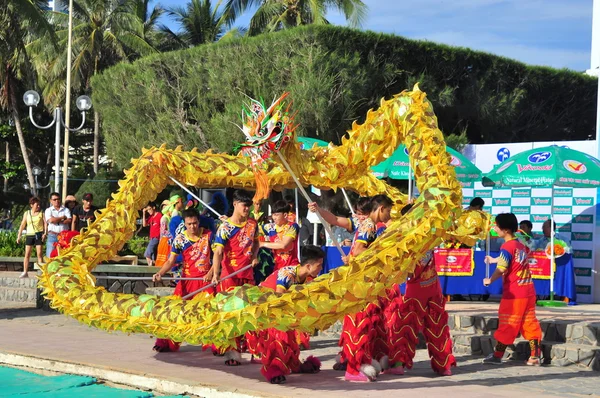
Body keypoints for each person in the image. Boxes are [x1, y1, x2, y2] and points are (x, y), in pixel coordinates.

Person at [394, 204, 455, 376]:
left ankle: (398, 364)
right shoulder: (430, 234)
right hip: (433, 286)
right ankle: (444, 366)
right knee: (437, 327)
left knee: (405, 327)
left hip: (414, 290)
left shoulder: (405, 239)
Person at [250, 245, 325, 384]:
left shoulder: (307, 278)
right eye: (319, 265)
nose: (321, 268)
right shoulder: (288, 274)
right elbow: (278, 297)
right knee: (279, 337)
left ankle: (291, 364)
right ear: (308, 266)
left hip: (283, 310)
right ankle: (273, 369)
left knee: (290, 336)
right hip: (265, 307)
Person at [152, 208, 216, 352]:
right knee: (175, 311)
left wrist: (212, 273)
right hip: (187, 280)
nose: (192, 227)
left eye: (194, 223)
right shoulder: (180, 239)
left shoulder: (209, 236)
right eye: (189, 224)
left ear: (199, 222)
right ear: (184, 224)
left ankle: (216, 344)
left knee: (210, 313)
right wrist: (160, 273)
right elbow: (171, 260)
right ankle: (165, 342)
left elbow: (218, 257)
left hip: (205, 281)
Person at [207, 189, 259, 366]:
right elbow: (218, 251)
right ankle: (232, 352)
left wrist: (255, 256)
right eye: (245, 206)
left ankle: (254, 350)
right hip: (230, 277)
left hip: (247, 276)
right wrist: (216, 273)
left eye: (249, 206)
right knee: (230, 315)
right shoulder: (225, 227)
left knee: (251, 313)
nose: (247, 209)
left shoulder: (253, 224)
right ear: (235, 204)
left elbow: (257, 241)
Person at [483, 213, 542, 366]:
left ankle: (497, 355)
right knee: (530, 322)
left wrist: (490, 279)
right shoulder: (520, 244)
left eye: (497, 226)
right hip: (528, 290)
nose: (495, 228)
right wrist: (494, 259)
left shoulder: (506, 246)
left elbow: (502, 268)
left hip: (514, 293)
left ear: (506, 230)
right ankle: (535, 356)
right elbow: (514, 260)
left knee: (508, 323)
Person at [259, 200, 300, 272]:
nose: (274, 217)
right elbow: (253, 230)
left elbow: (283, 245)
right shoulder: (269, 227)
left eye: (276, 215)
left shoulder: (293, 226)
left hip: (291, 268)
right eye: (273, 214)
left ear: (285, 215)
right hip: (277, 268)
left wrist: (262, 244)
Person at [16, 197, 45, 278]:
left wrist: (44, 233)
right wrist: (19, 236)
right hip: (29, 234)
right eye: (37, 205)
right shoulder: (27, 213)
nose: (38, 206)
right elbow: (22, 225)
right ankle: (25, 271)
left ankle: (41, 273)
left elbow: (45, 224)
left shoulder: (41, 213)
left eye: (39, 205)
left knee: (39, 254)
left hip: (38, 234)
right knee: (27, 254)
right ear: (31, 205)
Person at [44, 192, 72, 258]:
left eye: (58, 199)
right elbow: (51, 220)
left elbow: (69, 220)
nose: (57, 201)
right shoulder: (48, 210)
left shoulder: (66, 210)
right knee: (50, 257)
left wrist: (55, 219)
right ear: (51, 201)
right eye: (54, 199)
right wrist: (62, 218)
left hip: (64, 236)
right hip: (52, 236)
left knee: (64, 257)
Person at [142, 202, 162, 266]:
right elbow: (144, 224)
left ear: (154, 208)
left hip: (156, 237)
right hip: (152, 238)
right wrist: (144, 214)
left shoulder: (159, 215)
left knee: (147, 254)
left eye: (149, 209)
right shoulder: (151, 217)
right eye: (147, 210)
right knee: (153, 256)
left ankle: (149, 268)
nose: (148, 211)